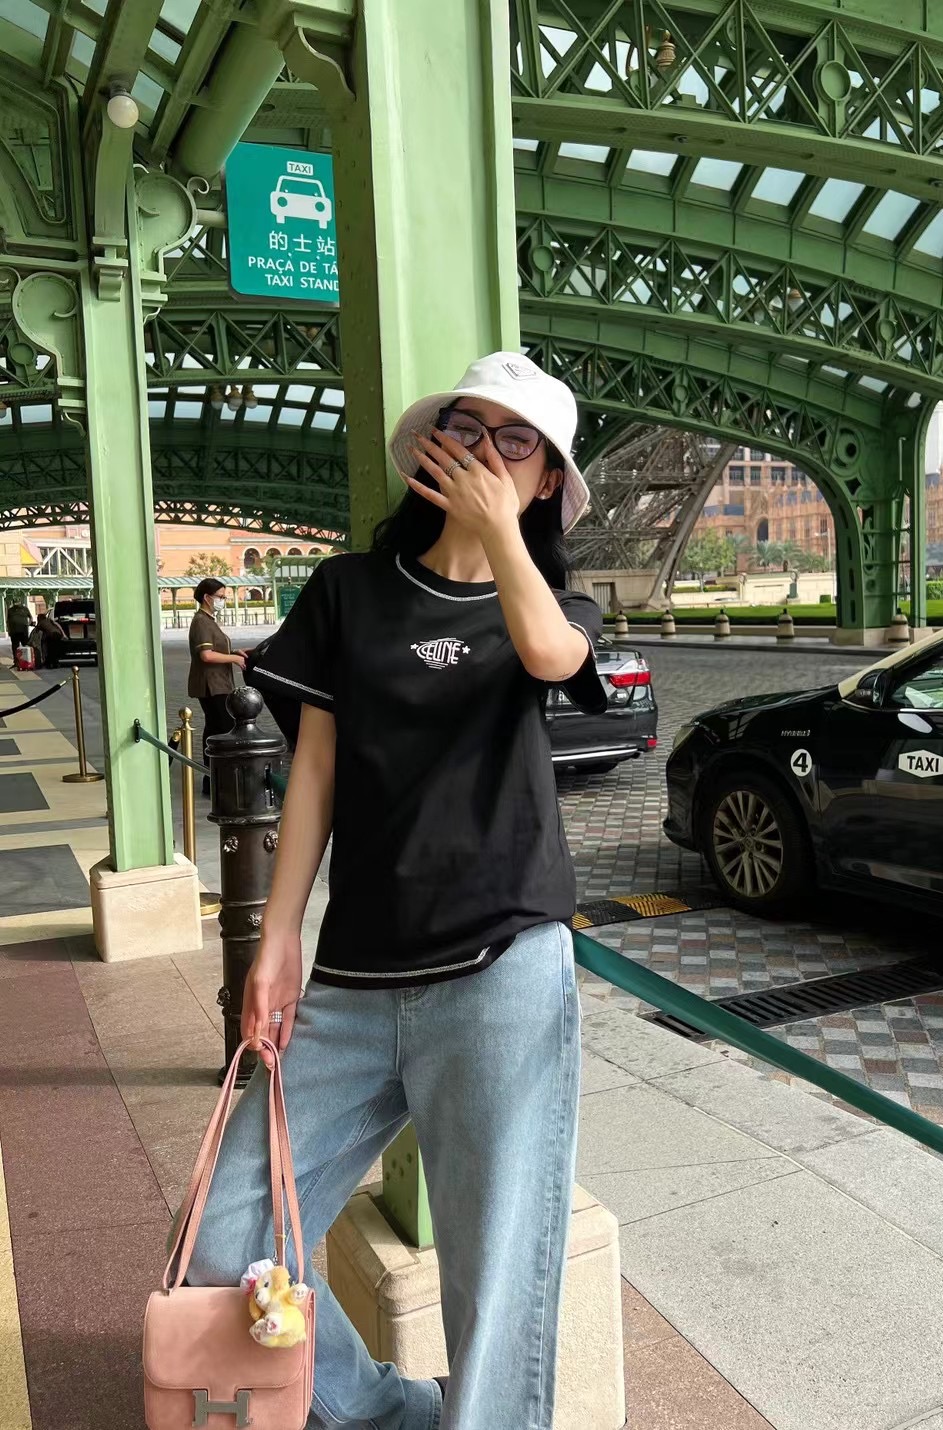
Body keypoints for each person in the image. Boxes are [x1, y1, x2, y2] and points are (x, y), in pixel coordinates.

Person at [183, 353, 604, 1430]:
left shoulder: (552, 603)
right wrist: (278, 938)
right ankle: (384, 1412)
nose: (482, 450)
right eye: (466, 425)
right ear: (431, 443)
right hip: (356, 979)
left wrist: (503, 536)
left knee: (495, 1281)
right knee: (227, 1236)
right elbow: (314, 772)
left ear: (547, 479)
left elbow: (552, 658)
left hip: (503, 971)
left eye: (515, 440)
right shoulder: (349, 592)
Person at [187, 579, 246, 796]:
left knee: (215, 729)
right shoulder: (202, 622)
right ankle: (217, 780)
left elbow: (215, 650)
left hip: (219, 683)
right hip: (212, 685)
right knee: (222, 730)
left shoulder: (208, 620)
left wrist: (234, 652)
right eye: (220, 597)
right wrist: (234, 659)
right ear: (207, 597)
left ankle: (212, 779)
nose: (223, 600)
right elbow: (206, 655)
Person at [6, 600, 31, 668]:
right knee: (15, 647)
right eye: (15, 602)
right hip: (14, 631)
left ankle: (27, 661)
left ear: (20, 602)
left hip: (23, 631)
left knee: (25, 646)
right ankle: (16, 662)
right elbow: (8, 621)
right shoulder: (10, 610)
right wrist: (9, 630)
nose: (16, 603)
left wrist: (28, 624)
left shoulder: (25, 609)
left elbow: (30, 617)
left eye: (18, 602)